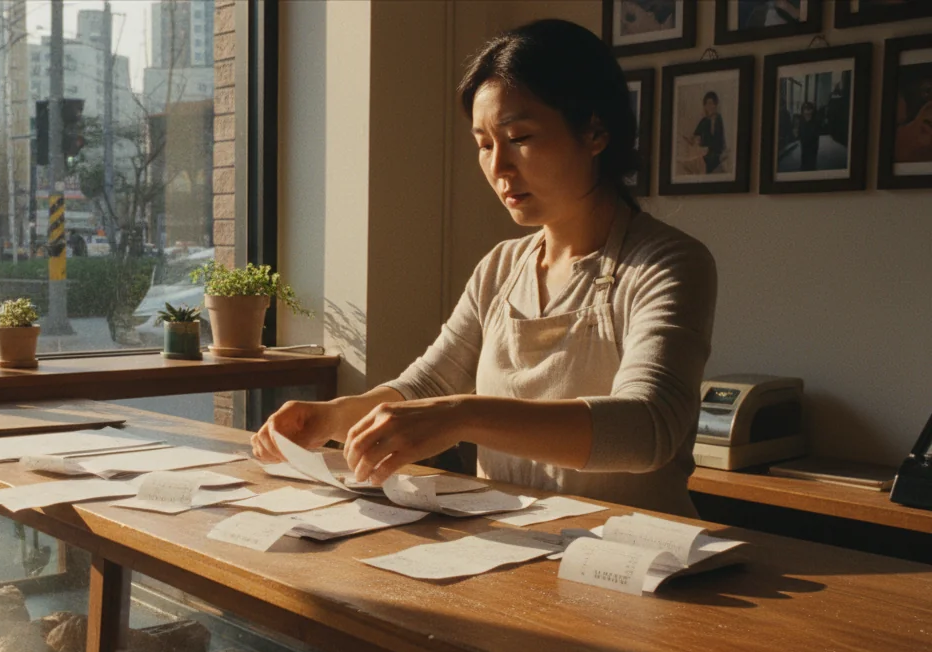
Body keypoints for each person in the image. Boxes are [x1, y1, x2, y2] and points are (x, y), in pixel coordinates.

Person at [252, 19, 717, 517]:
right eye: (483, 144)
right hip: (512, 549)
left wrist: (463, 415)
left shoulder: (667, 263)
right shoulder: (501, 267)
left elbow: (647, 430)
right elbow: (428, 388)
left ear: (595, 131)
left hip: (631, 566)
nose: (498, 168)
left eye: (519, 137)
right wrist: (330, 418)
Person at [689, 91, 727, 174]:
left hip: (714, 153)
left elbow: (719, 141)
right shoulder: (704, 121)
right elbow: (694, 136)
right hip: (704, 152)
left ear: (715, 105)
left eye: (711, 103)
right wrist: (694, 140)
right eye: (707, 104)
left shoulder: (718, 119)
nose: (709, 106)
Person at [795, 101, 820, 171]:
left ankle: (811, 167)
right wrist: (799, 136)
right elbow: (800, 129)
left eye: (809, 110)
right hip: (804, 141)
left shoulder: (814, 121)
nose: (807, 112)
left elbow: (816, 132)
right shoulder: (802, 120)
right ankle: (804, 167)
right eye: (806, 110)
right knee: (804, 154)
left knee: (811, 155)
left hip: (812, 142)